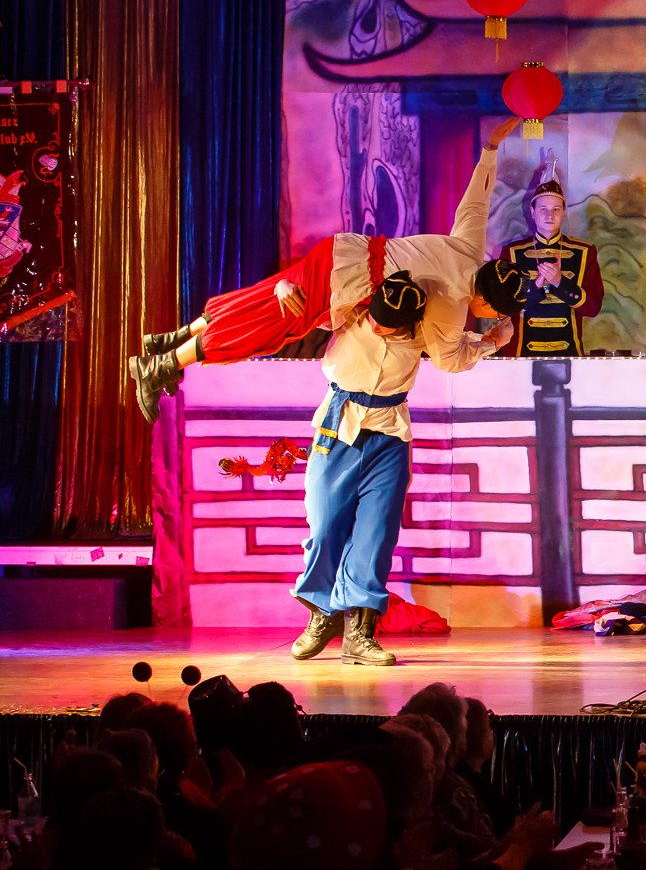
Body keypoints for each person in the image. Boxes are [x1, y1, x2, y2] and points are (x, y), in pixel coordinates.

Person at [128, 117, 524, 422]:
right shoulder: (451, 306)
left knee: (259, 300)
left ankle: (169, 341)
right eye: (494, 313)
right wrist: (492, 341)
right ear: (487, 302)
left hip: (341, 251)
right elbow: (448, 359)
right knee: (260, 328)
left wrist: (490, 148)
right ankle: (160, 367)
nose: (488, 317)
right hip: (341, 283)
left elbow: (476, 202)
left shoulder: (469, 251)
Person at [288, 270, 520, 666]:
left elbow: (454, 353)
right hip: (337, 429)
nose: (379, 326)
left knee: (376, 535)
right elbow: (299, 311)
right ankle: (322, 613)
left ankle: (360, 633)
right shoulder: (348, 313)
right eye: (376, 318)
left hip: (390, 436)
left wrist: (492, 342)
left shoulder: (423, 332)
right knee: (325, 527)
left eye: (389, 324)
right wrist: (284, 286)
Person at [497, 149, 603, 357]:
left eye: (556, 209)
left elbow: (592, 308)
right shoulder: (512, 252)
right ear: (532, 212)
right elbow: (503, 309)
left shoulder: (584, 252)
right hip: (520, 355)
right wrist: (536, 287)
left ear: (563, 212)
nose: (549, 215)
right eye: (543, 209)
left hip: (569, 354)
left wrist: (560, 283)